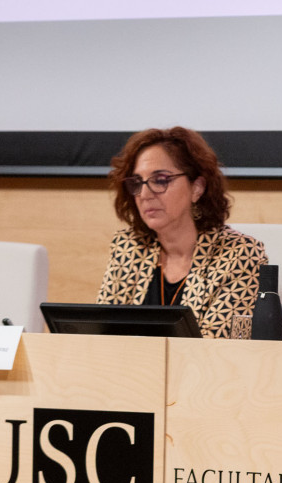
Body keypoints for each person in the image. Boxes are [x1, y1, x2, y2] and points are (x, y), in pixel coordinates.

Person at [97, 126, 267, 338]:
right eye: (137, 182)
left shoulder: (239, 255)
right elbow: (103, 335)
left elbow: (220, 346)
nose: (145, 194)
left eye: (160, 180)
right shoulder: (128, 248)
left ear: (197, 187)